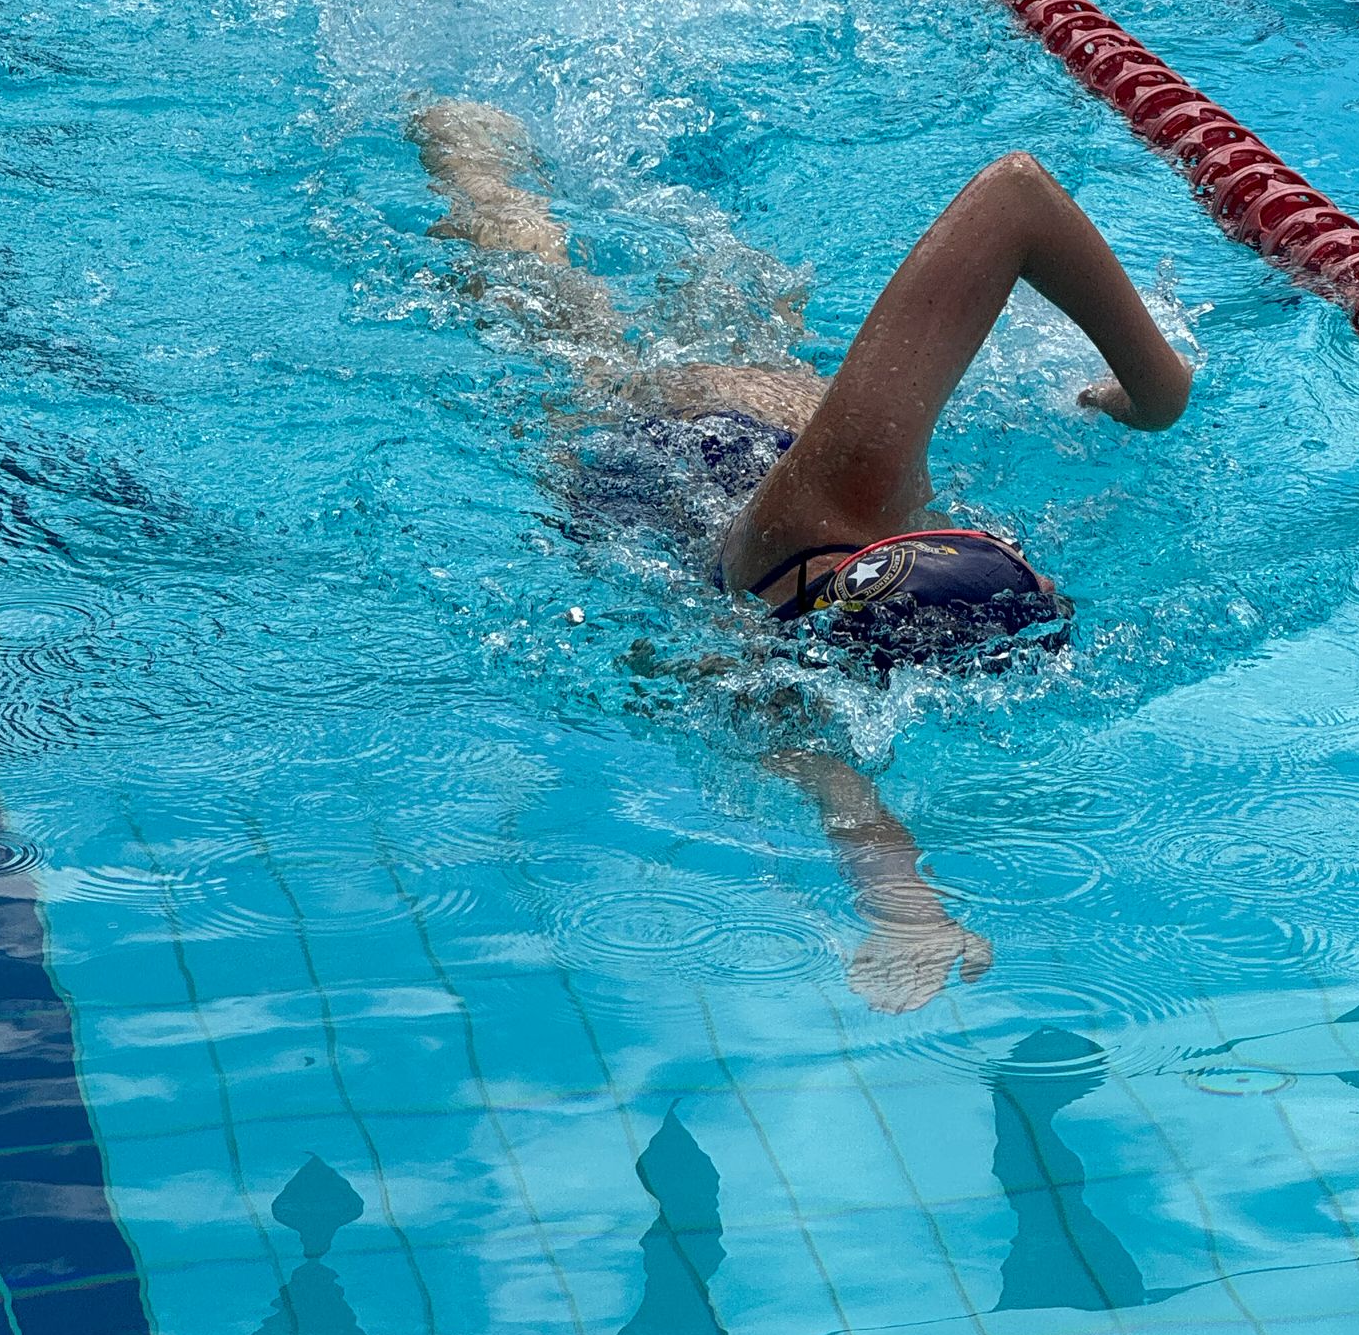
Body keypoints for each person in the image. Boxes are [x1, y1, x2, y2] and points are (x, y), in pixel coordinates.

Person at [409, 100, 1191, 1009]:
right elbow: (834, 785)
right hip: (705, 481)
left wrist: (1158, 387)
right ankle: (466, 155)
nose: (1032, 558)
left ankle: (468, 155)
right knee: (586, 310)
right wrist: (904, 906)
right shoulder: (817, 563)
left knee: (572, 327)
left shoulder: (849, 501)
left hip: (631, 467)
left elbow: (1019, 196)